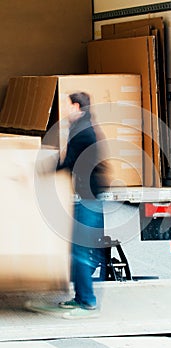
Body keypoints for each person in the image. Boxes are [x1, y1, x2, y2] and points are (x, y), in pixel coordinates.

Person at [56, 92, 110, 318]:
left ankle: (86, 300)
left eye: (67, 106)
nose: (65, 110)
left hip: (89, 199)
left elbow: (68, 162)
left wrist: (37, 169)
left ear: (77, 106)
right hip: (88, 196)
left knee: (79, 251)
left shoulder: (83, 132)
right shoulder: (82, 126)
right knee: (79, 250)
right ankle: (80, 297)